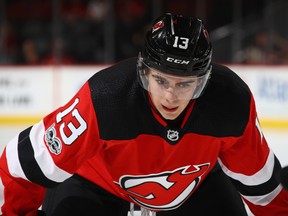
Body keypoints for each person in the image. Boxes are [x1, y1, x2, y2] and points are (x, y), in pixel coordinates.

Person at [0, 13, 288, 216]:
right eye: (161, 80)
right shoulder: (105, 98)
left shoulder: (230, 100)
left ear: (203, 81)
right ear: (144, 72)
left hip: (193, 188)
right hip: (97, 186)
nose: (170, 96)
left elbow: (263, 186)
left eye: (184, 84)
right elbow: (23, 166)